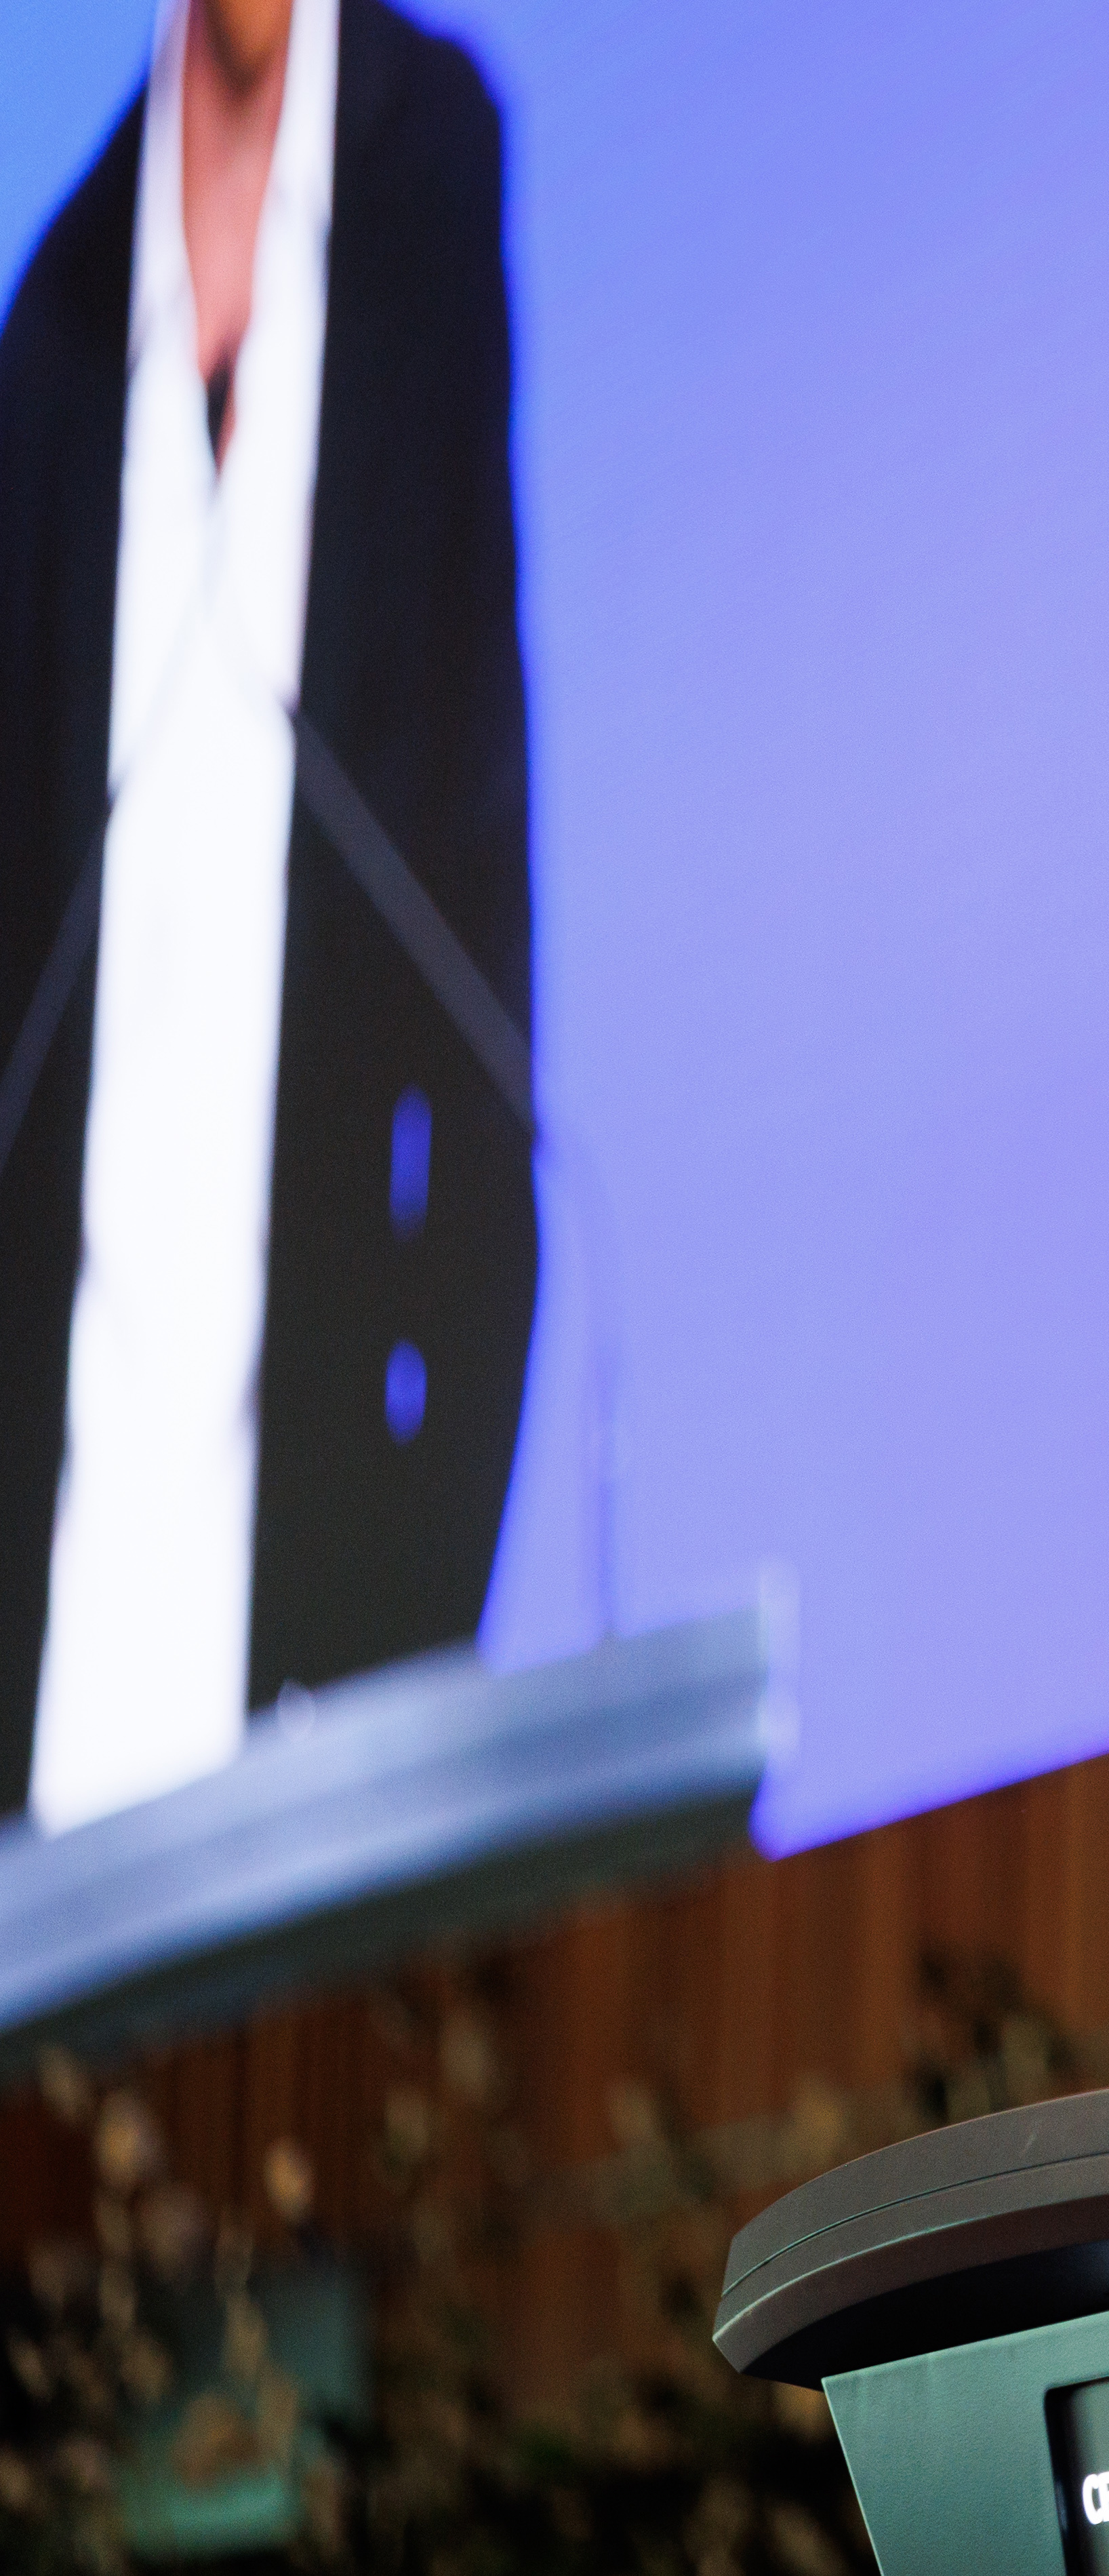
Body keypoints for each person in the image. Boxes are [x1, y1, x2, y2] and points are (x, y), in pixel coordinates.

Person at [0, 0, 537, 1824]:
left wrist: (423, 1608)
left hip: (327, 1532)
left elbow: (475, 856)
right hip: (59, 1550)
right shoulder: (59, 319)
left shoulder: (422, 156)